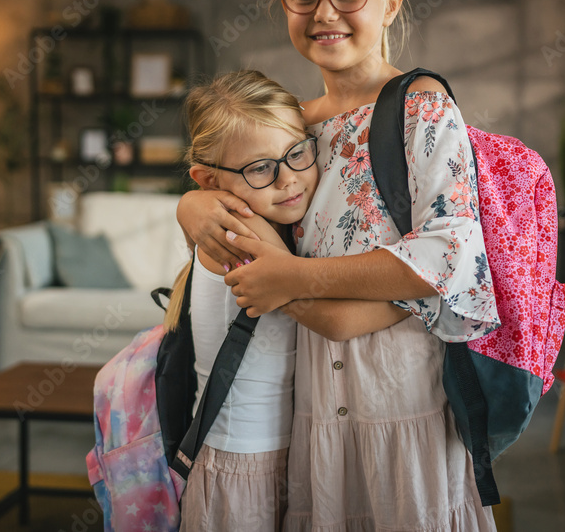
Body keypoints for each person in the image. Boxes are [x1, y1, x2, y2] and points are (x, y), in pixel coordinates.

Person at [177, 0, 499, 531]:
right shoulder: (296, 124)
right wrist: (191, 205)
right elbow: (225, 183)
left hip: (403, 407)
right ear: (285, 3)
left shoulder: (421, 108)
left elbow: (452, 254)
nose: (326, 13)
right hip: (316, 414)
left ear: (391, 2)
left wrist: (291, 278)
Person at [168, 69, 407, 532]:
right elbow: (333, 321)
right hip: (243, 461)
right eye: (260, 168)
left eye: (296, 153)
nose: (289, 180)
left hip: (273, 451)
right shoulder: (241, 233)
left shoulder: (262, 219)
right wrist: (425, 296)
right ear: (208, 179)